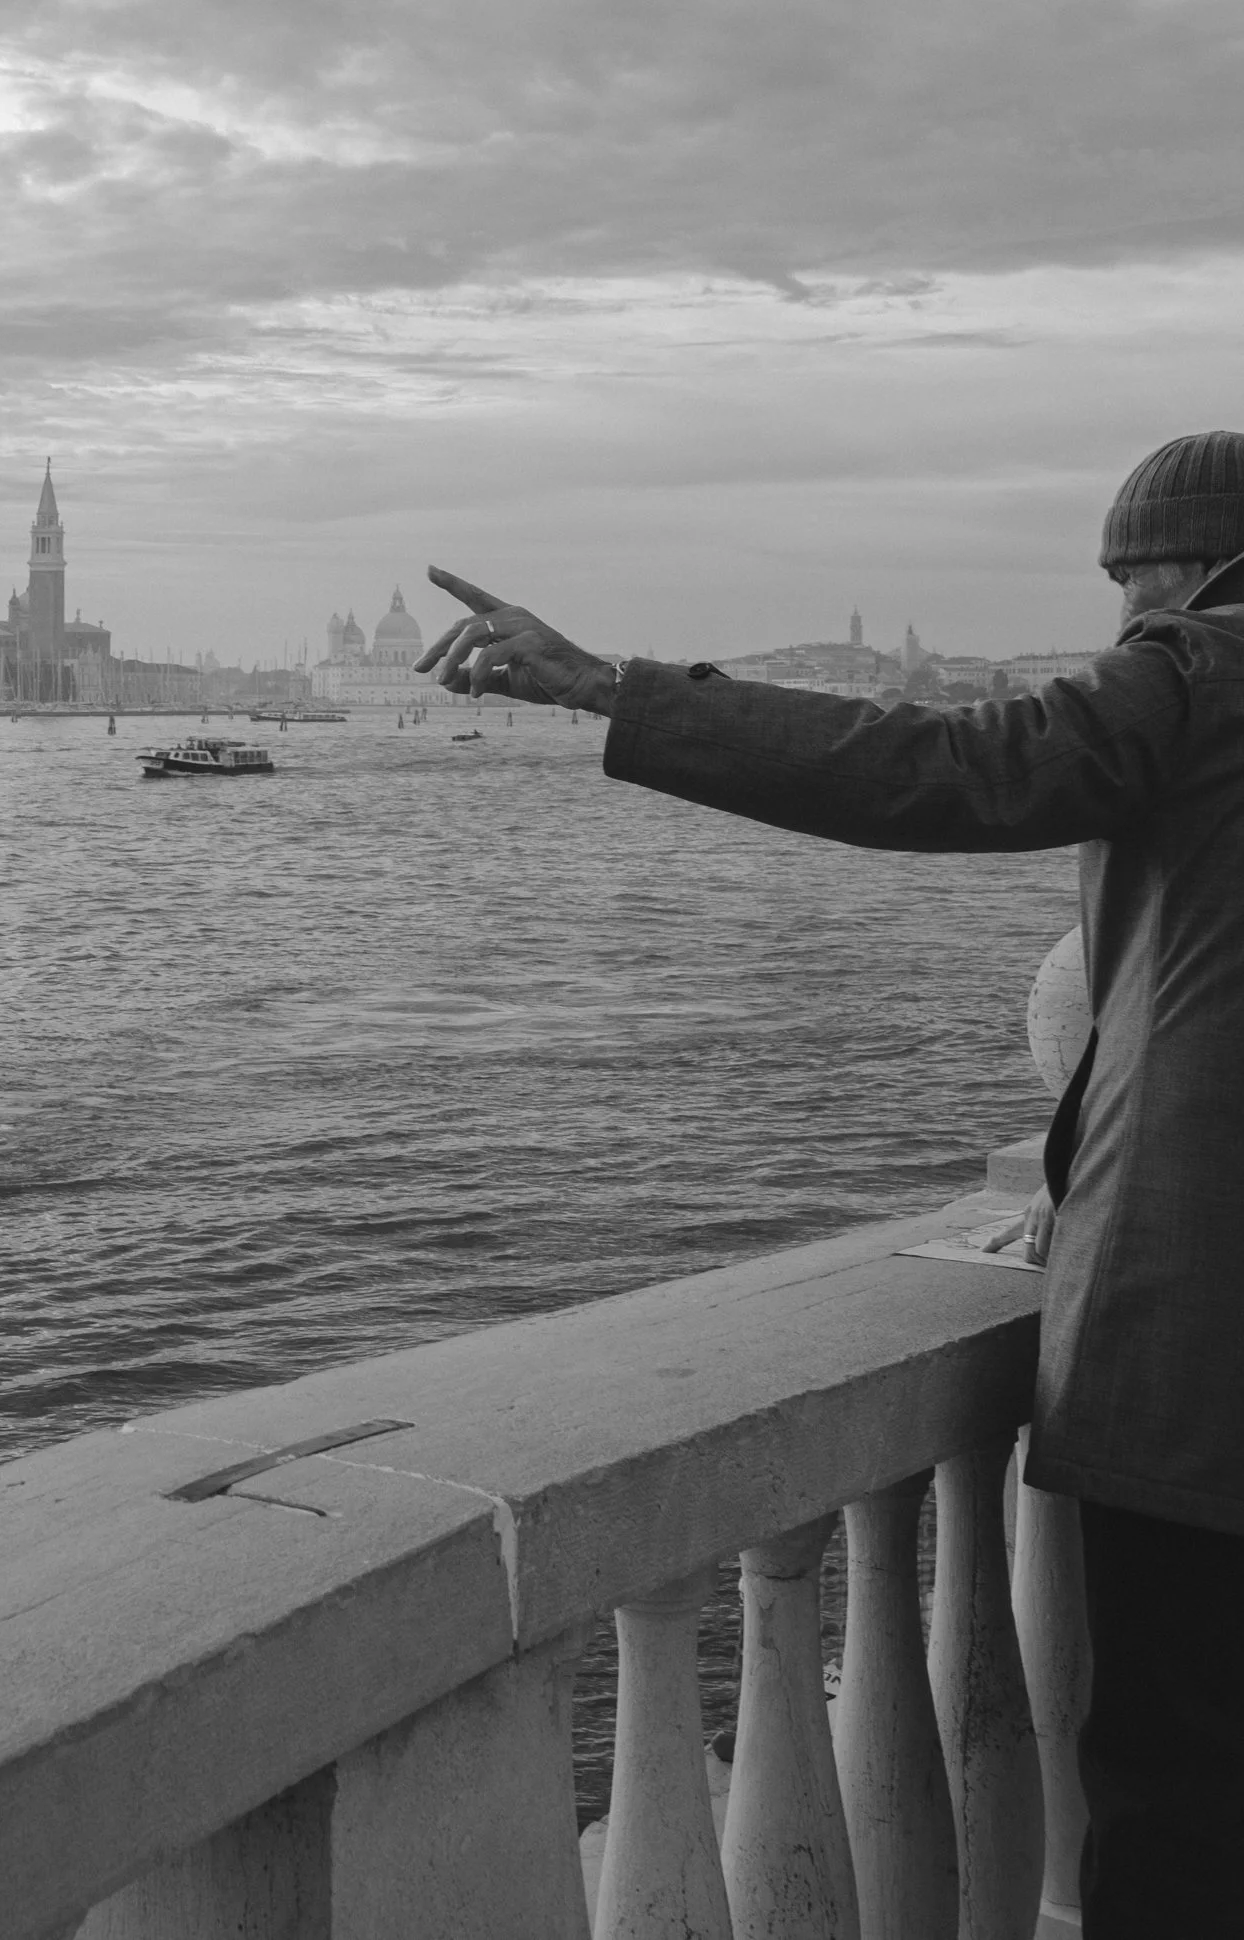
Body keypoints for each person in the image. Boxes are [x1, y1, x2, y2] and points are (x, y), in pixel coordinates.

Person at [417, 430, 1244, 1937]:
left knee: (1182, 1798)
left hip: (1204, 1366)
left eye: (1136, 582)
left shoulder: (1202, 670)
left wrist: (611, 687)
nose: (1126, 618)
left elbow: (939, 766)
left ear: (1199, 567)